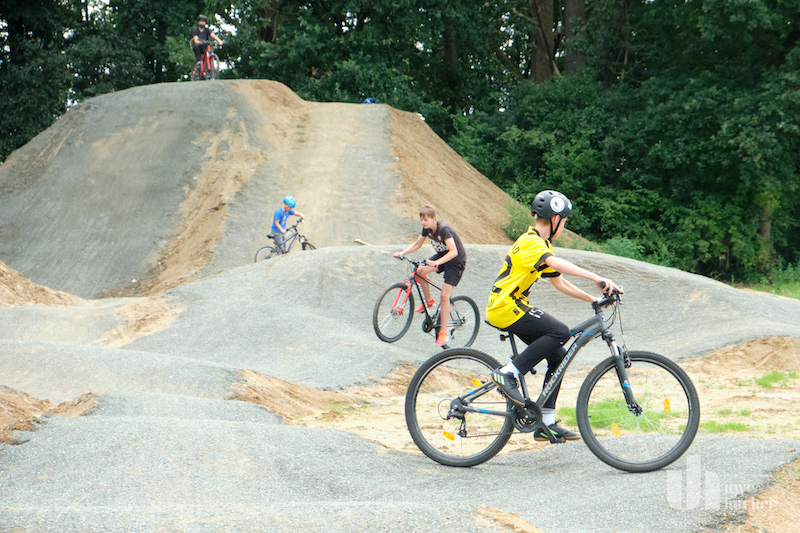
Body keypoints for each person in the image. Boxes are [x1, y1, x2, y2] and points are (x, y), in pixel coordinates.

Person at [486, 190, 622, 442]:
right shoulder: (531, 242)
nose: (565, 226)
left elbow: (559, 282)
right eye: (565, 221)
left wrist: (594, 299)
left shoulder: (541, 245)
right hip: (505, 306)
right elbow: (556, 264)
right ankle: (508, 373)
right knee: (559, 332)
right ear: (555, 217)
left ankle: (545, 422)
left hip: (512, 306)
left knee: (559, 356)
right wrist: (596, 278)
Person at [394, 205, 467, 346]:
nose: (423, 223)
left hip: (456, 261)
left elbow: (453, 251)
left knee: (445, 295)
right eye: (421, 220)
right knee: (419, 272)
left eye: (426, 220)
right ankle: (428, 302)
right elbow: (417, 244)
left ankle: (443, 333)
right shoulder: (427, 229)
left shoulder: (443, 229)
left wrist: (436, 263)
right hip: (442, 256)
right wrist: (401, 253)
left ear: (434, 219)